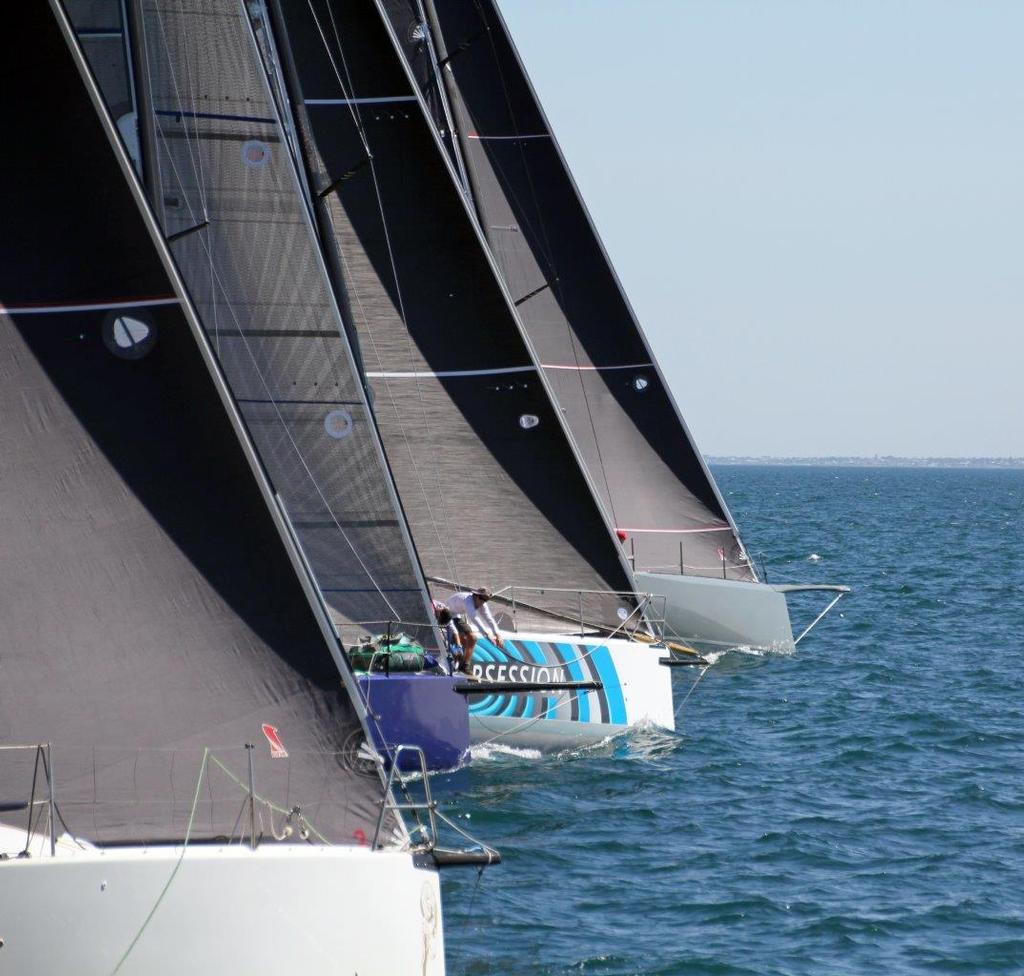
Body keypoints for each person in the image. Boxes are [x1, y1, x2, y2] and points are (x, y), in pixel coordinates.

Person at [445, 587, 503, 674]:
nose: (483, 602)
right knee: (473, 638)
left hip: (456, 616)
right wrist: (488, 635)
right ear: (476, 596)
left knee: (469, 638)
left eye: (486, 600)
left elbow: (489, 619)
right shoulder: (468, 602)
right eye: (482, 599)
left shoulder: (481, 603)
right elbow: (475, 619)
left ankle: (462, 665)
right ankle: (464, 666)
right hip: (447, 615)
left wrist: (498, 634)